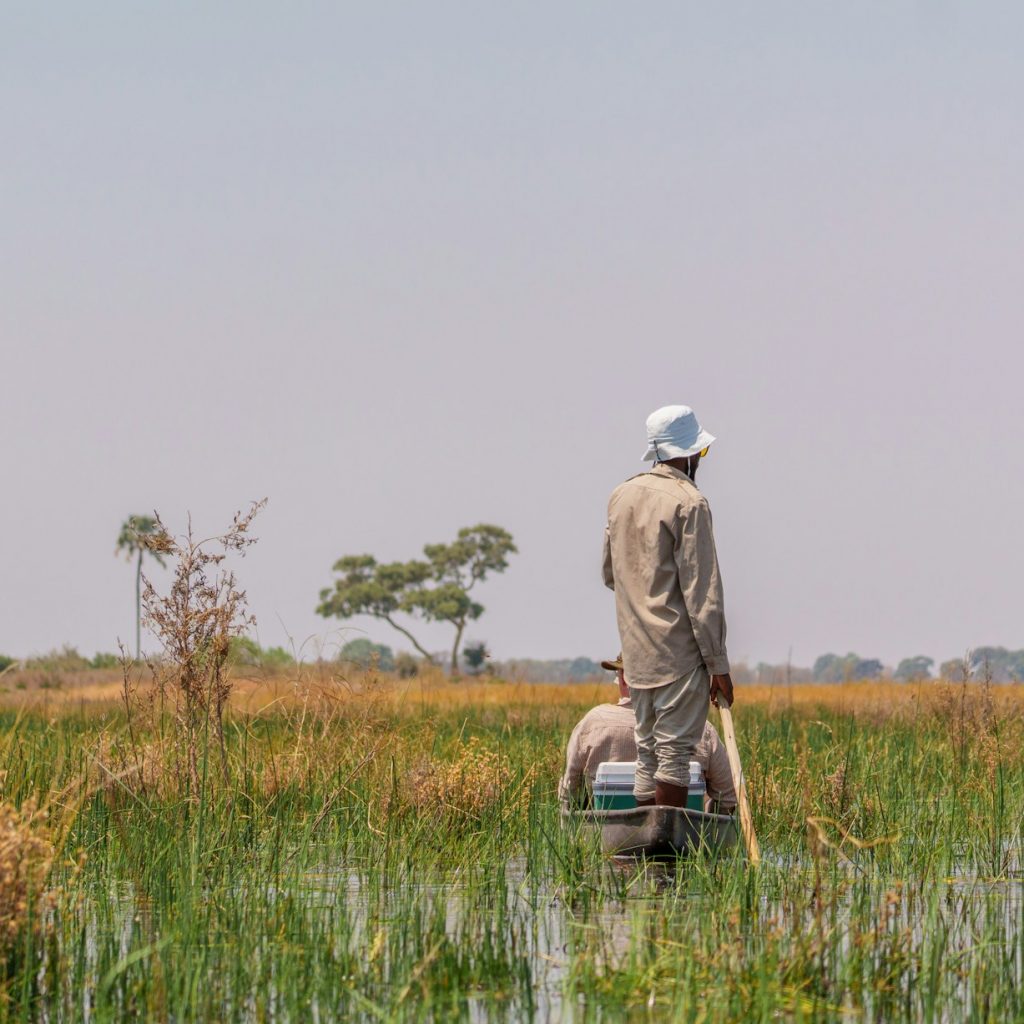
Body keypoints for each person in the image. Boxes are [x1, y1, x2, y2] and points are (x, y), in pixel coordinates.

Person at [602, 404, 734, 808]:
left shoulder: (620, 496)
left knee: (648, 753)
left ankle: (642, 854)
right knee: (674, 755)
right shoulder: (690, 502)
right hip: (679, 654)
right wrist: (719, 667)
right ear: (690, 453)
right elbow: (703, 595)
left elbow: (610, 574)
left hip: (638, 656)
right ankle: (666, 855)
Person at [558, 654, 737, 812]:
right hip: (686, 839)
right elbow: (729, 798)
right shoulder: (700, 727)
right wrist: (705, 819)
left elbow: (569, 793)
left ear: (626, 680)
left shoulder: (593, 722)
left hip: (607, 837)